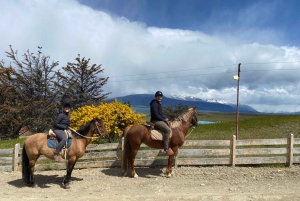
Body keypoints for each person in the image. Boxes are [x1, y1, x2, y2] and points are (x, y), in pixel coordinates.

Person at [150, 91, 174, 155]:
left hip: (159, 119)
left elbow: (161, 114)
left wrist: (166, 119)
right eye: (158, 96)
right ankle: (166, 146)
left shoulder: (158, 104)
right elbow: (156, 115)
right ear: (156, 97)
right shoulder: (154, 104)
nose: (160, 97)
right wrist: (164, 120)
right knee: (168, 130)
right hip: (156, 120)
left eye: (160, 96)